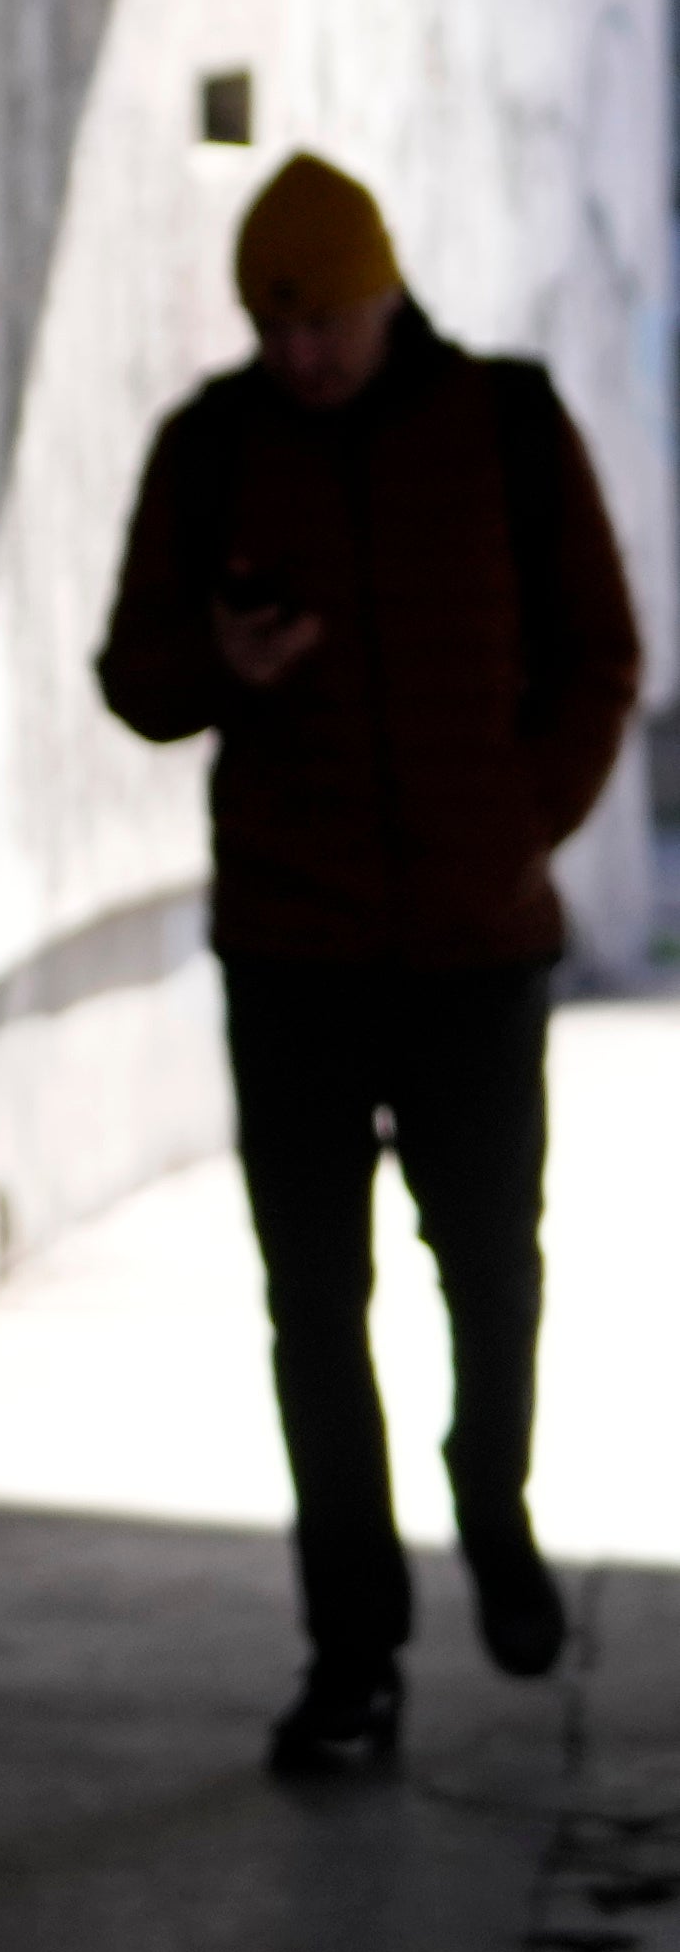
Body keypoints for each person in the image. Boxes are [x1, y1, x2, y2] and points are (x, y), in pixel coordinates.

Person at [97, 154, 639, 1776]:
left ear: (382, 292)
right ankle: (352, 1651)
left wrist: (518, 822)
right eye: (272, 323)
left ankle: (491, 1497)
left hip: (474, 949)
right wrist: (223, 662)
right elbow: (134, 672)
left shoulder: (508, 431)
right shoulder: (209, 452)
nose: (300, 350)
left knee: (490, 1265)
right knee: (312, 1306)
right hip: (293, 952)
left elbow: (601, 653)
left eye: (322, 318)